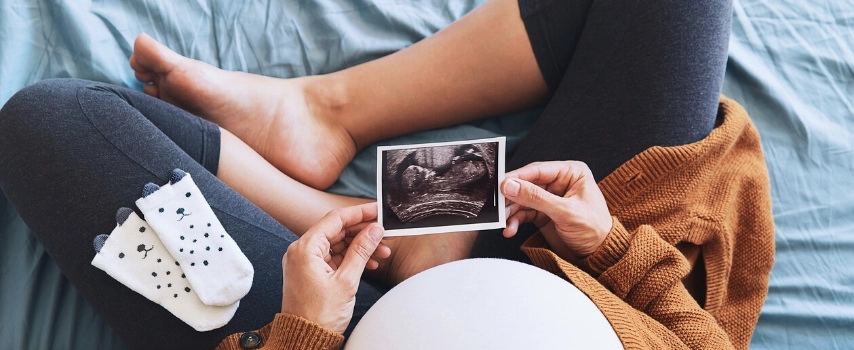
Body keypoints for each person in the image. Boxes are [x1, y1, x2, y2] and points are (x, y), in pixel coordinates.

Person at [0, 0, 774, 348]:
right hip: (567, 277)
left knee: (51, 121)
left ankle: (391, 236)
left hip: (339, 336)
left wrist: (305, 332)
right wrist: (610, 247)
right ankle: (332, 116)